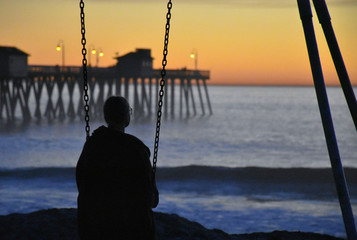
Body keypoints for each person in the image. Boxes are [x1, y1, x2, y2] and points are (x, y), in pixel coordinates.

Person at [76, 96, 159, 240]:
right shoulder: (136, 148)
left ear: (106, 116)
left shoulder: (92, 144)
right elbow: (149, 197)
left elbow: (81, 180)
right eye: (129, 111)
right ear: (126, 116)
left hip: (93, 223)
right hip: (126, 226)